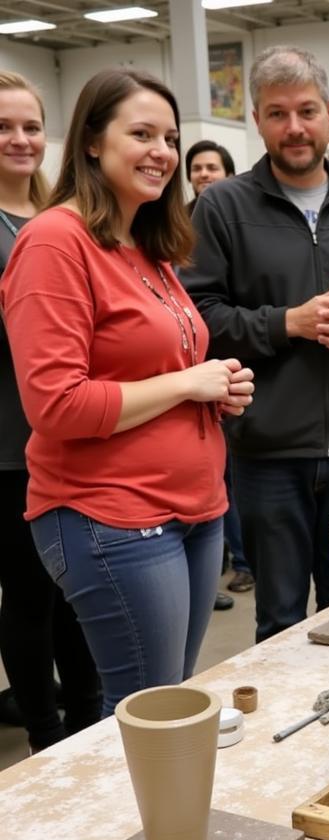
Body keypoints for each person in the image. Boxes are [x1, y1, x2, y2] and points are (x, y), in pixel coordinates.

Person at [1, 69, 254, 717]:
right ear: (91, 142)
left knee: (166, 702)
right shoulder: (54, 242)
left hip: (195, 510)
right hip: (111, 514)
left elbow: (162, 365)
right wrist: (184, 382)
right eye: (140, 134)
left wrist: (213, 386)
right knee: (149, 714)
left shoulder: (148, 244)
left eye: (169, 137)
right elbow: (56, 405)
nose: (162, 152)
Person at [182, 47, 329, 642]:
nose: (295, 128)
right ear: (257, 121)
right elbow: (199, 319)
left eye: (307, 111)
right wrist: (286, 322)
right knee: (282, 619)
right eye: (277, 114)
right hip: (268, 450)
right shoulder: (221, 208)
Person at [0, 71, 100, 751]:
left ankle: (90, 718)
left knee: (79, 590)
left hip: (80, 436)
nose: (20, 139)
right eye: (3, 127)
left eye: (31, 125)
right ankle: (44, 730)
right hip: (10, 446)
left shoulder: (65, 215)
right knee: (31, 595)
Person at [183, 138, 252, 603]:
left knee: (231, 476)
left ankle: (241, 560)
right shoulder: (172, 220)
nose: (205, 174)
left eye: (214, 167)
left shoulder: (236, 219)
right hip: (192, 374)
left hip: (229, 369)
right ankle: (231, 559)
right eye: (198, 167)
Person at [184, 139, 235, 214]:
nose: (203, 174)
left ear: (229, 176)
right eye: (196, 169)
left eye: (212, 168)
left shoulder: (240, 212)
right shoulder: (179, 218)